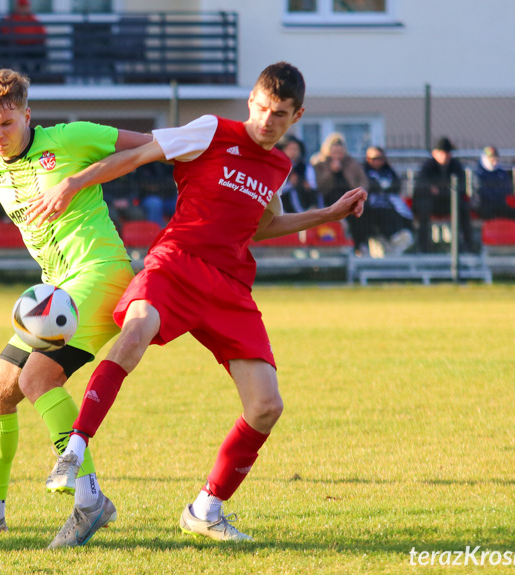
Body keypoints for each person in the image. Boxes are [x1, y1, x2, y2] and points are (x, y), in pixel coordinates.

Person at [29, 62, 366, 546]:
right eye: (263, 109)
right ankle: (75, 449)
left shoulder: (279, 165)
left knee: (267, 406)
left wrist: (328, 214)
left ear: (297, 117)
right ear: (251, 100)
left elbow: (263, 225)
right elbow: (137, 157)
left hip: (229, 286)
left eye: (281, 115)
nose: (268, 121)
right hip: (177, 261)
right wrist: (72, 183)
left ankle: (206, 509)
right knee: (137, 329)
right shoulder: (210, 130)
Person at [0, 69, 152, 536]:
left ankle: (90, 500)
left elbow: (150, 145)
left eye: (6, 123)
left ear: (27, 113)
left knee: (37, 376)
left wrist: (78, 180)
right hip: (56, 292)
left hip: (101, 275)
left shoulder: (70, 138)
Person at [413, 137, 476, 253]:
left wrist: (441, 190)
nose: (445, 156)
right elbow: (422, 187)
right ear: (434, 153)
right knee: (424, 207)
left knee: (463, 207)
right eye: (442, 153)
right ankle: (423, 247)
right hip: (431, 202)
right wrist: (440, 189)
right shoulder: (428, 166)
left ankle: (467, 245)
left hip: (448, 201)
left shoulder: (455, 166)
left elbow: (460, 186)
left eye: (447, 153)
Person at [312, 132, 369, 254]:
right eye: (334, 151)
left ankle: (359, 244)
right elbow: (318, 185)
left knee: (360, 211)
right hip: (329, 199)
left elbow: (363, 182)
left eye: (340, 151)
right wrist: (331, 172)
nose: (337, 154)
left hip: (350, 197)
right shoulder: (320, 164)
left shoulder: (352, 164)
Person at [362, 146, 414, 255]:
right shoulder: (364, 171)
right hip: (371, 206)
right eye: (373, 158)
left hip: (389, 202)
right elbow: (365, 186)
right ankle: (393, 234)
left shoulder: (389, 171)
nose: (376, 161)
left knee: (401, 211)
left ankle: (402, 235)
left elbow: (396, 185)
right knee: (382, 211)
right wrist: (380, 187)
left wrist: (384, 188)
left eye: (379, 158)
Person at [474, 145, 515, 224]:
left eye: (495, 157)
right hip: (484, 205)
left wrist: (495, 193)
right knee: (489, 215)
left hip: (499, 203)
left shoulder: (501, 173)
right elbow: (481, 192)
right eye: (491, 157)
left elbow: (507, 189)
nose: (494, 160)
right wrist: (495, 192)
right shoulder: (479, 173)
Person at [275, 135, 320, 213]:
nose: (293, 152)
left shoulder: (306, 167)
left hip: (305, 207)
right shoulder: (277, 167)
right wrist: (289, 184)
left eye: (296, 149)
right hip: (283, 210)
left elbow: (313, 188)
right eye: (290, 149)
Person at [0, 0, 46, 74]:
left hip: (32, 45)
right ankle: (26, 74)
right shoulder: (10, 19)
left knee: (41, 50)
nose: (23, 9)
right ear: (17, 7)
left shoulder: (33, 19)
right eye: (21, 6)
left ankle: (36, 74)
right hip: (18, 46)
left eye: (25, 6)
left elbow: (42, 34)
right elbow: (5, 33)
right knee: (18, 52)